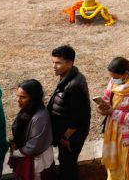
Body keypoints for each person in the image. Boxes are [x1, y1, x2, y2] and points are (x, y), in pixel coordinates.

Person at [47, 45, 91, 180]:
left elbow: (79, 117)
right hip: (66, 134)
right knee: (66, 164)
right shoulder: (68, 76)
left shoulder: (74, 85)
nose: (54, 66)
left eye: (58, 63)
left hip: (71, 137)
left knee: (68, 168)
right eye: (53, 62)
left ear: (70, 63)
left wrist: (65, 137)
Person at [9, 79, 55, 180]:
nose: (18, 100)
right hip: (28, 158)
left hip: (37, 164)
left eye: (23, 97)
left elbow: (34, 146)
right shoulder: (27, 110)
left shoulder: (40, 117)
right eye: (17, 96)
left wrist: (16, 153)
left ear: (33, 99)